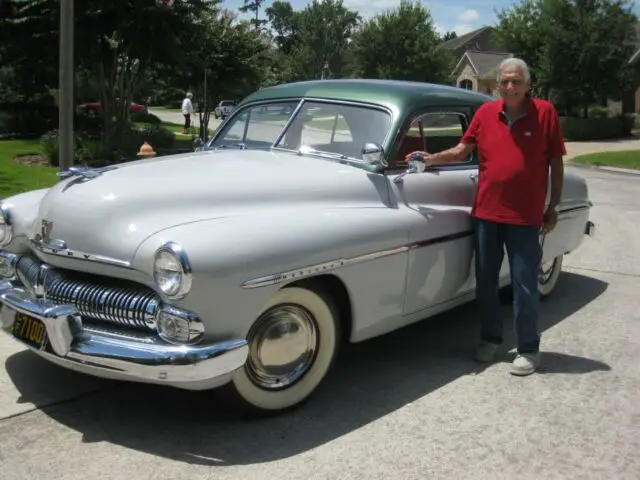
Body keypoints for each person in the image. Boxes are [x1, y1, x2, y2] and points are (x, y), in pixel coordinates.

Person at [405, 57, 565, 376]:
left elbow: (556, 164)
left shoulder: (545, 113)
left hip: (525, 217)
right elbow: (462, 150)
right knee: (486, 282)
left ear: (528, 84)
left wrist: (553, 206)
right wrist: (431, 157)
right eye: (504, 81)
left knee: (525, 284)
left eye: (516, 81)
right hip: (487, 214)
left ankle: (529, 349)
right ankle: (490, 338)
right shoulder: (486, 113)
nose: (509, 86)